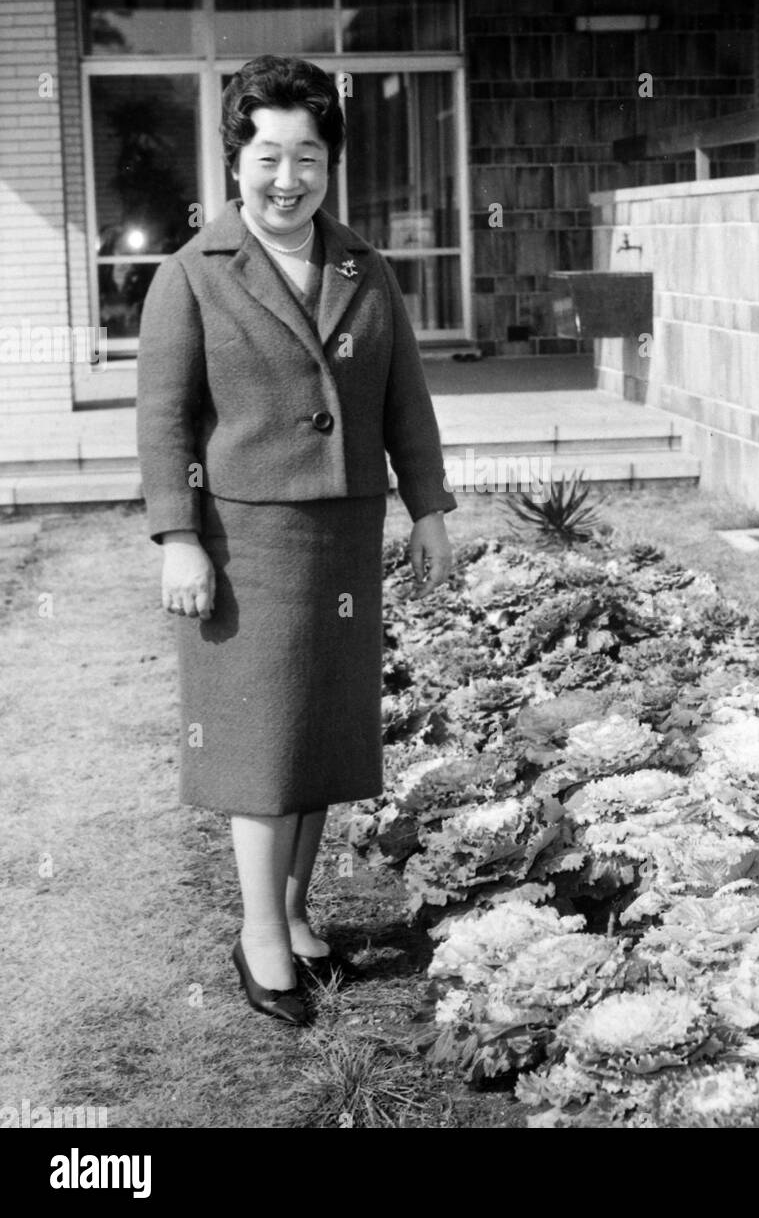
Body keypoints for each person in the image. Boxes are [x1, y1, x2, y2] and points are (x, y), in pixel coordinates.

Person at [137, 54, 456, 1026]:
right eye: (267, 155)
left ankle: (293, 911)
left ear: (331, 163)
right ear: (234, 157)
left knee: (320, 732)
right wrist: (176, 537)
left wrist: (430, 508)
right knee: (262, 744)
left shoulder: (365, 267)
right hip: (246, 543)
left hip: (345, 533)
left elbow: (406, 399)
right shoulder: (190, 277)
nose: (287, 179)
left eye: (307, 157)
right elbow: (162, 421)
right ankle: (259, 936)